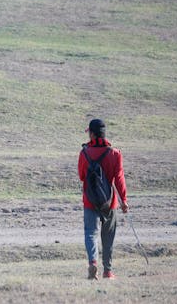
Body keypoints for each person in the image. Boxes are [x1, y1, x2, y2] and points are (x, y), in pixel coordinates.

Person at [78, 119, 129, 280]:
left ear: (92, 134)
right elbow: (119, 178)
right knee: (108, 237)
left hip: (90, 200)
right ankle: (108, 271)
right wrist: (124, 201)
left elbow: (81, 176)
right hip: (110, 201)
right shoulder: (115, 153)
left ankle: (93, 262)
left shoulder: (84, 153)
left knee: (90, 234)